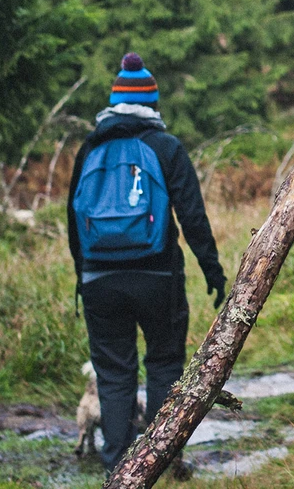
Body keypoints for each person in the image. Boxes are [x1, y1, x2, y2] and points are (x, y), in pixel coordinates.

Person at [67, 53, 226, 476]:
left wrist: (84, 276)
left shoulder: (91, 147)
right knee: (163, 364)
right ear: (152, 104)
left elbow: (73, 218)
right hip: (158, 275)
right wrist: (214, 272)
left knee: (114, 374)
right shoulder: (165, 147)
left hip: (99, 276)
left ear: (113, 102)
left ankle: (119, 467)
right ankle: (162, 462)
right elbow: (192, 216)